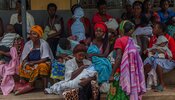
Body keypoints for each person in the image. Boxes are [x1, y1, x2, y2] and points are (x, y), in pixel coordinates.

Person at [107, 20, 146, 100]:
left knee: (116, 94)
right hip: (131, 73)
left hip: (121, 72)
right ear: (131, 31)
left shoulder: (119, 40)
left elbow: (118, 57)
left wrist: (112, 74)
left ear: (121, 30)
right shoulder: (132, 41)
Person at [14, 25, 54, 95]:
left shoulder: (44, 44)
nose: (31, 36)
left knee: (42, 66)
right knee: (22, 66)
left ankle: (44, 87)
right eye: (31, 33)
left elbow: (45, 58)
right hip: (32, 63)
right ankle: (25, 85)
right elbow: (24, 58)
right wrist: (26, 62)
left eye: (34, 34)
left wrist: (34, 63)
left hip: (43, 62)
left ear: (39, 36)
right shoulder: (28, 44)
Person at [144, 22, 175, 92]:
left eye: (154, 28)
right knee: (147, 60)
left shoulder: (169, 39)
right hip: (155, 58)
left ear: (160, 30)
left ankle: (162, 83)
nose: (152, 29)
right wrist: (151, 52)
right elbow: (150, 50)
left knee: (157, 61)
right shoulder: (153, 38)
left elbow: (173, 55)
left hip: (169, 62)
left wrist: (162, 53)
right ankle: (145, 83)